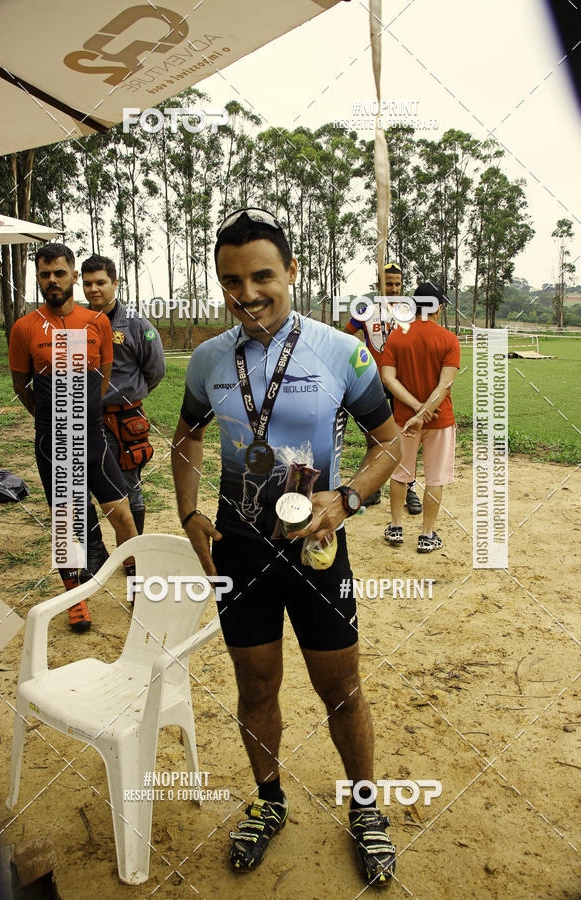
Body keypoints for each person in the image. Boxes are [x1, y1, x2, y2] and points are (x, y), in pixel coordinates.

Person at [171, 208, 402, 888]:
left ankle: (365, 808)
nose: (247, 294)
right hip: (237, 552)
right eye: (231, 281)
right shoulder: (210, 359)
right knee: (255, 686)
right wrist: (188, 512)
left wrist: (348, 498)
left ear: (292, 272)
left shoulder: (341, 351)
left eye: (262, 277)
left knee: (342, 690)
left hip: (316, 552)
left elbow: (390, 444)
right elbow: (186, 439)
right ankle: (268, 800)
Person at [9, 243, 137, 631]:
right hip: (53, 439)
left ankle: (138, 585)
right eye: (45, 274)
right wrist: (52, 420)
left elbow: (104, 375)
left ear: (73, 277)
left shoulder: (96, 322)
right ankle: (75, 598)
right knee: (66, 522)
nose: (52, 280)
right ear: (38, 278)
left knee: (122, 514)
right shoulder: (24, 328)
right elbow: (21, 386)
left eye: (59, 273)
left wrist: (86, 413)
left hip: (94, 435)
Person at [80, 254, 165, 580]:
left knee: (129, 486)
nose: (94, 289)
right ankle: (95, 556)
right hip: (87, 419)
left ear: (115, 283)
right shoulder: (78, 322)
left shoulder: (136, 325)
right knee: (83, 485)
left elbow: (155, 370)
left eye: (101, 282)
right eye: (87, 283)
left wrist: (129, 396)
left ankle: (133, 558)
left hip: (124, 421)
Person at [380, 281, 460, 552]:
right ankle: (427, 535)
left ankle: (395, 527)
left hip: (404, 419)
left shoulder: (396, 336)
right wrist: (425, 411)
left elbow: (388, 378)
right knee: (435, 478)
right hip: (440, 420)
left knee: (400, 473)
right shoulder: (449, 339)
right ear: (438, 308)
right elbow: (445, 384)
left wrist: (416, 409)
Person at [343, 263, 422, 514]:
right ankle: (374, 488)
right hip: (374, 383)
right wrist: (362, 355)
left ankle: (409, 488)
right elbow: (346, 336)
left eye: (398, 284)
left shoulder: (409, 312)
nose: (394, 288)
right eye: (389, 284)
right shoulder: (365, 310)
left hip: (402, 383)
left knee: (406, 437)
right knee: (377, 437)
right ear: (379, 285)